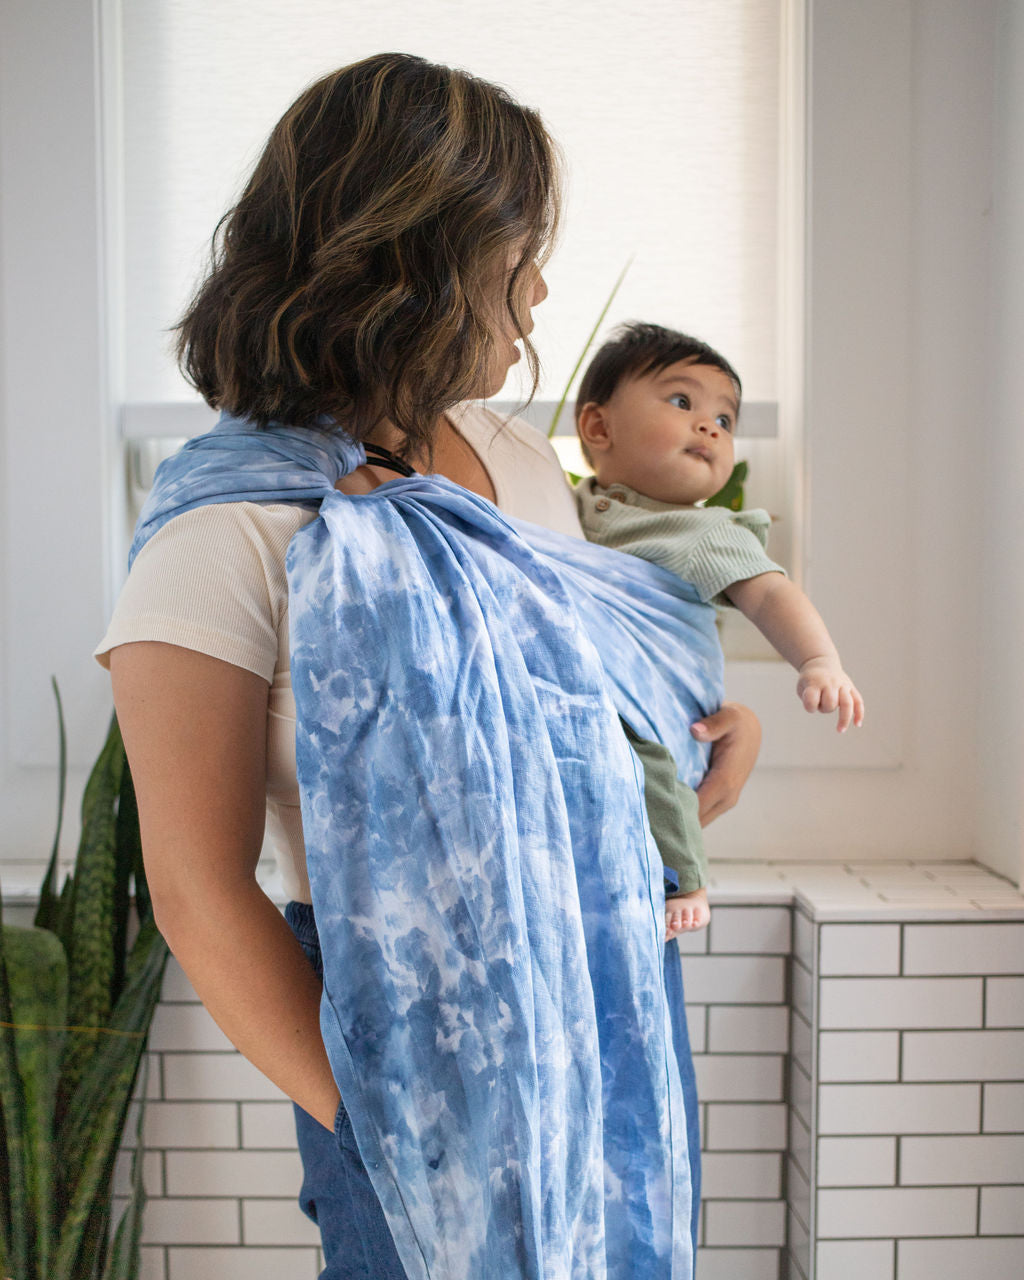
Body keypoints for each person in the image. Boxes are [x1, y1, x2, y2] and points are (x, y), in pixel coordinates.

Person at [96, 57, 761, 1279]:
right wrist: (377, 1123)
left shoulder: (513, 454)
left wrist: (688, 724)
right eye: (516, 248)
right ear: (410, 255)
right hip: (405, 1060)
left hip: (609, 1007)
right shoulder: (222, 531)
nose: (542, 287)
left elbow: (558, 684)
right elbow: (193, 889)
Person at [574, 321, 864, 942]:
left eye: (725, 420)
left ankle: (686, 878)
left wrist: (819, 660)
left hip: (663, 710)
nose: (710, 426)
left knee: (642, 760)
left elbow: (770, 593)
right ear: (598, 428)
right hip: (598, 688)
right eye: (682, 403)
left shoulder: (707, 534)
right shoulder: (569, 504)